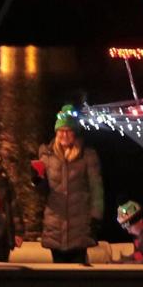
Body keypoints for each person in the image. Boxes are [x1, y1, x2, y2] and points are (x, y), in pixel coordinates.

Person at [36, 104, 103, 264]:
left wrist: (95, 217)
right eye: (61, 131)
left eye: (68, 131)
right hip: (55, 226)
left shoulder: (87, 156)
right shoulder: (47, 155)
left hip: (79, 226)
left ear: (75, 132)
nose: (64, 135)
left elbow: (96, 188)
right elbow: (44, 192)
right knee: (57, 272)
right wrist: (37, 181)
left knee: (78, 270)